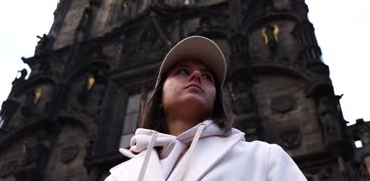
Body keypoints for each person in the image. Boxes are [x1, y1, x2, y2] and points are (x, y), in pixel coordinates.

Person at [106, 36, 306, 181]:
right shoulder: (120, 176)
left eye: (207, 76)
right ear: (159, 96)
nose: (196, 76)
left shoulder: (262, 156)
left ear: (216, 100)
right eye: (183, 71)